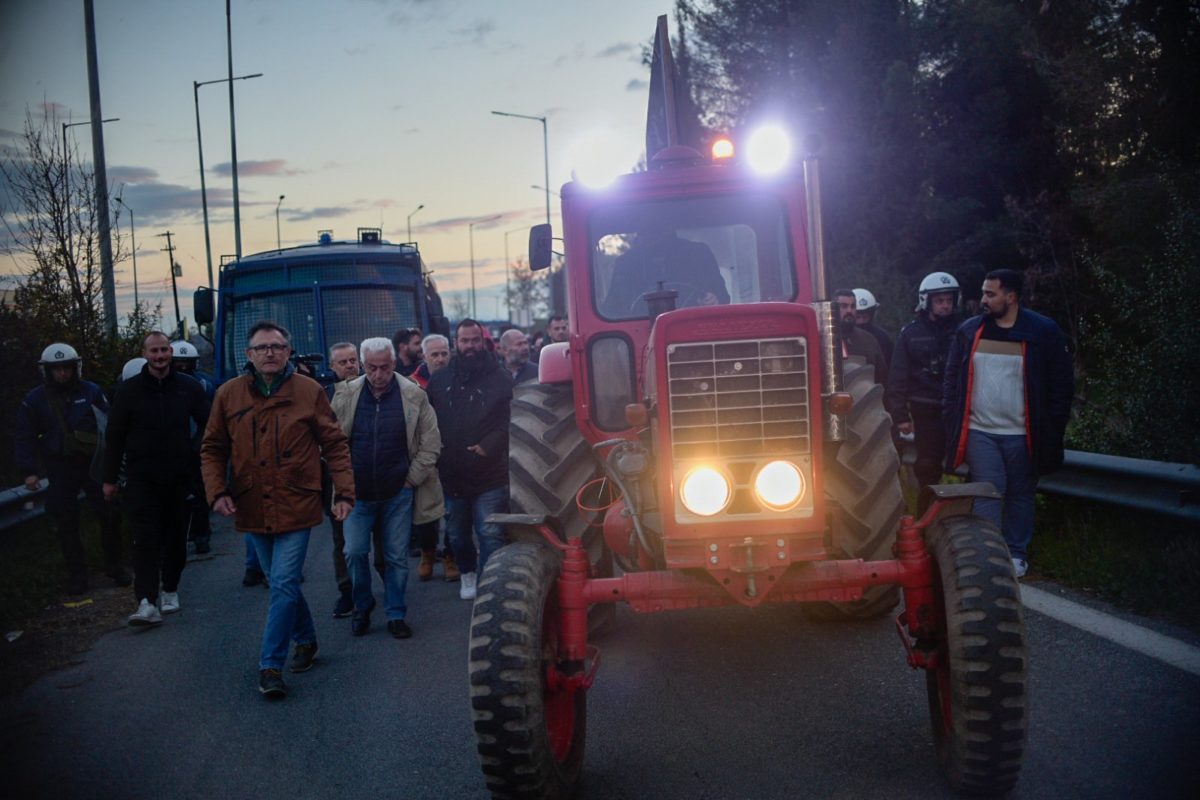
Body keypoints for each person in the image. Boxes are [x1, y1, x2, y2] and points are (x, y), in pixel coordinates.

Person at [201, 321, 354, 699]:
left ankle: (270, 665)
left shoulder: (309, 391)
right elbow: (212, 448)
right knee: (281, 585)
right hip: (252, 505)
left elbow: (334, 445)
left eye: (277, 346)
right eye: (261, 347)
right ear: (249, 355)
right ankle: (306, 640)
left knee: (283, 583)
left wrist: (344, 493)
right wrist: (217, 491)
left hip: (297, 503)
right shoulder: (228, 395)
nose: (269, 352)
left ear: (289, 352)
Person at [943, 269, 1073, 579]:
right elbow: (952, 379)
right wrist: (950, 414)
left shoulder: (1042, 332)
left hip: (1022, 433)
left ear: (1011, 297)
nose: (983, 299)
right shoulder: (969, 331)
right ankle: (988, 553)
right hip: (979, 430)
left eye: (991, 294)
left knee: (1020, 492)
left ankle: (1016, 553)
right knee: (988, 490)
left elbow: (1061, 383)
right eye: (984, 293)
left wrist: (1053, 426)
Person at [330, 338, 442, 638]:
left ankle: (395, 613)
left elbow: (431, 444)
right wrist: (342, 483)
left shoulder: (413, 395)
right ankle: (362, 605)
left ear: (394, 364)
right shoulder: (346, 394)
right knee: (353, 551)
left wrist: (410, 479)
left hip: (397, 493)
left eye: (384, 367)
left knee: (395, 557)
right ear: (363, 365)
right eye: (371, 368)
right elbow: (332, 442)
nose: (378, 375)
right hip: (357, 494)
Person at [104, 332, 210, 626]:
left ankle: (171, 588)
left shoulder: (188, 388)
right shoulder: (129, 391)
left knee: (176, 538)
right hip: (141, 479)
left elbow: (210, 425)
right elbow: (114, 437)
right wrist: (109, 478)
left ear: (170, 353)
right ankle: (146, 601)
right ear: (145, 354)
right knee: (144, 539)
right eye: (154, 351)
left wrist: (197, 454)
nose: (160, 356)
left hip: (180, 478)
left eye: (164, 350)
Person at [15, 343, 129, 594]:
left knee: (109, 513)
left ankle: (115, 565)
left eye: (67, 367)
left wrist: (114, 461)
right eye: (57, 369)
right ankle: (77, 577)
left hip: (93, 464)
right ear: (46, 371)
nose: (63, 373)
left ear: (76, 367)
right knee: (67, 522)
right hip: (60, 467)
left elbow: (110, 425)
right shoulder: (34, 400)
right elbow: (25, 436)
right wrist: (29, 470)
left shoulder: (91, 391)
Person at [426, 319, 512, 601]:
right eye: (464, 341)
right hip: (452, 473)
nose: (470, 346)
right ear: (456, 343)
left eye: (475, 340)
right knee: (457, 535)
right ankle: (468, 572)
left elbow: (510, 419)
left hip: (490, 473)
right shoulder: (439, 381)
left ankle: (489, 580)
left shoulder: (500, 378)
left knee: (489, 532)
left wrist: (488, 446)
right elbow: (429, 422)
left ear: (483, 341)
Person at [323, 342, 383, 618]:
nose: (349, 366)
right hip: (337, 480)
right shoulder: (322, 396)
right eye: (342, 362)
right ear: (332, 367)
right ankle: (348, 592)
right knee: (343, 541)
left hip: (373, 478)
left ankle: (389, 585)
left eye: (352, 361)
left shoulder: (373, 391)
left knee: (382, 537)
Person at [886, 273, 962, 490]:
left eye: (949, 300)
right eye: (939, 301)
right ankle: (927, 513)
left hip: (957, 409)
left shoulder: (964, 331)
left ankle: (963, 512)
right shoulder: (910, 334)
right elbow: (898, 377)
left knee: (966, 462)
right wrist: (901, 416)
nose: (945, 306)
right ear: (926, 301)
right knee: (928, 465)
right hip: (926, 410)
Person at [413, 334, 458, 582]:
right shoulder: (412, 384)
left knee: (453, 509)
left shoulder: (458, 379)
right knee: (426, 512)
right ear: (424, 356)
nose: (440, 359)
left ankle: (450, 555)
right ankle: (427, 554)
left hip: (453, 453)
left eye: (444, 354)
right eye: (435, 355)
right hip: (424, 455)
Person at [601, 229, 729, 316]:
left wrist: (714, 299)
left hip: (694, 329)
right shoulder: (626, 264)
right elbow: (611, 309)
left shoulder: (697, 254)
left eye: (658, 229)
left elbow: (722, 295)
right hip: (638, 336)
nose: (653, 233)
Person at [171, 340, 216, 555]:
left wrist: (202, 442)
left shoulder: (204, 384)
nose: (182, 368)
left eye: (185, 363)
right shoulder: (161, 385)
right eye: (177, 363)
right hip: (171, 449)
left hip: (197, 446)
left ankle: (201, 535)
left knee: (200, 493)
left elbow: (212, 418)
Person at [834, 289, 888, 386]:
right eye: (844, 306)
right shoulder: (822, 339)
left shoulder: (869, 340)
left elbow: (882, 376)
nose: (849, 311)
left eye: (853, 306)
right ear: (833, 308)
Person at [853, 288, 894, 367]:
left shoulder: (882, 337)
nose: (861, 321)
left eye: (865, 317)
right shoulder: (840, 337)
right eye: (858, 317)